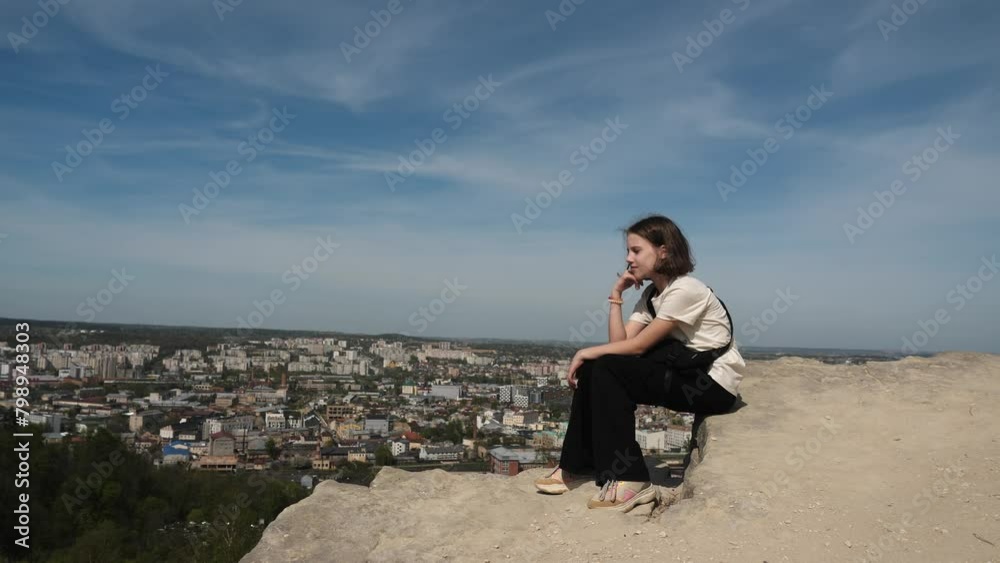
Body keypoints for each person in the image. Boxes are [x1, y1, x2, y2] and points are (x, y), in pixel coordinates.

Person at [534, 214, 747, 512]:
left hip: (711, 385)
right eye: (628, 251)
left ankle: (630, 476)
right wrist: (616, 295)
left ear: (663, 251)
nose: (628, 258)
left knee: (601, 364)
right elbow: (619, 346)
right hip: (685, 375)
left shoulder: (686, 290)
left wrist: (583, 352)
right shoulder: (652, 296)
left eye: (636, 250)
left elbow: (639, 346)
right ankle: (578, 464)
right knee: (597, 367)